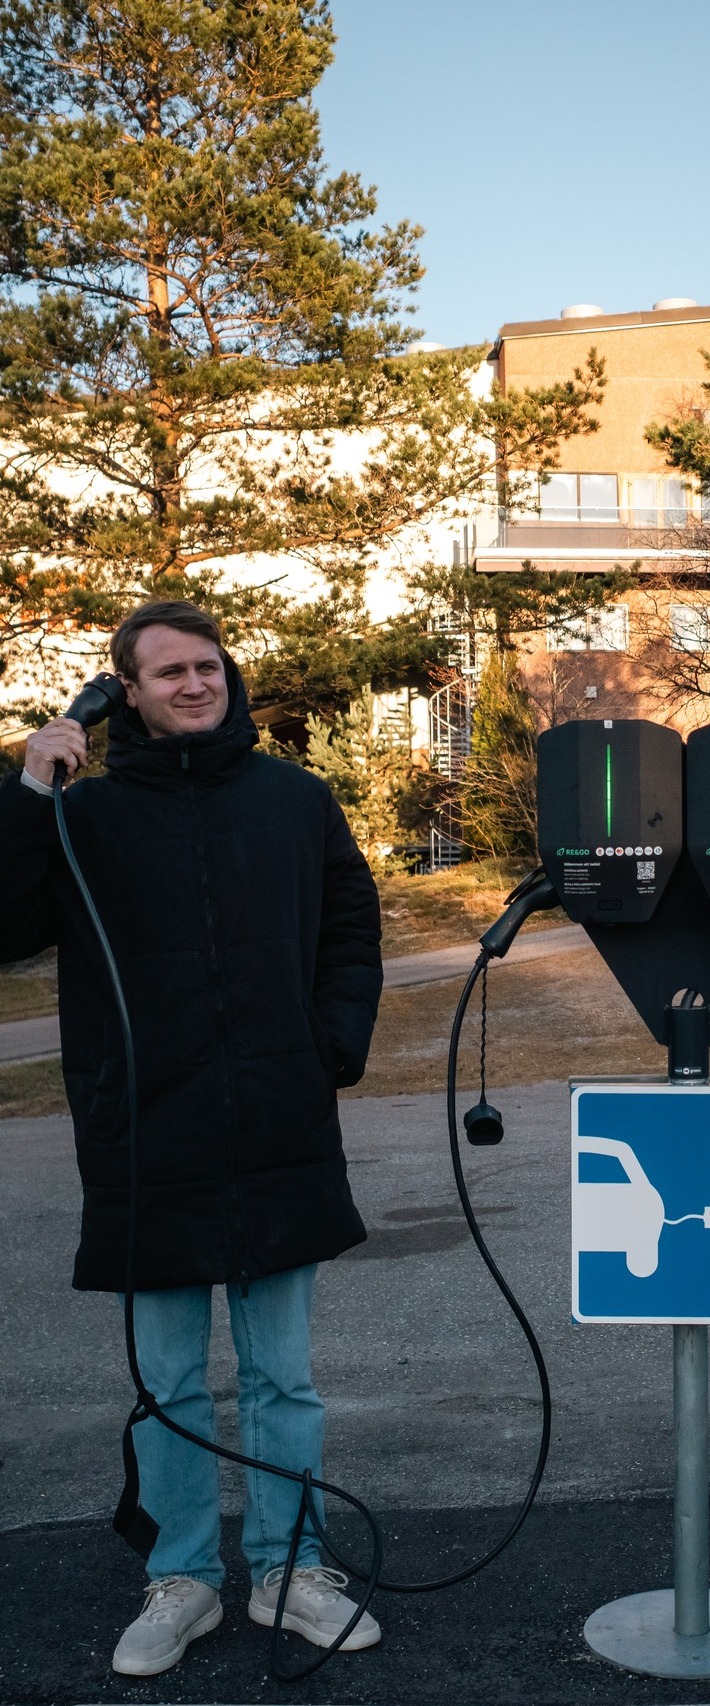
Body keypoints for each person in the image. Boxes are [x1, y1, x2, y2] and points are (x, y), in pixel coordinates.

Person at [0, 601, 384, 1677]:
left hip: (278, 1123)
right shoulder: (84, 813)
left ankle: (290, 1569)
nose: (194, 683)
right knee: (167, 1382)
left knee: (283, 1379)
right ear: (123, 692)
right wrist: (29, 792)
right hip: (145, 1130)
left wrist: (326, 1048)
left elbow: (351, 927)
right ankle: (181, 1578)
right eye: (168, 671)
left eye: (207, 665)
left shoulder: (295, 799)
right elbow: (4, 926)